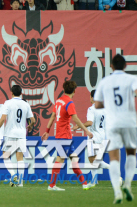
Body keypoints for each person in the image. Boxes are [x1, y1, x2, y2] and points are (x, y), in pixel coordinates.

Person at [94, 54, 137, 203]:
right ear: (125, 66)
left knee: (113, 157)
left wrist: (110, 105)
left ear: (111, 66)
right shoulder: (132, 79)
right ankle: (127, 184)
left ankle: (117, 192)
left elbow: (97, 104)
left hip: (112, 123)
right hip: (130, 121)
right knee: (131, 153)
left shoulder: (105, 82)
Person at [41, 80, 93, 191]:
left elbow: (52, 116)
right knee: (60, 160)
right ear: (74, 91)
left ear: (64, 89)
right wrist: (86, 131)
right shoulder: (69, 103)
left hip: (63, 135)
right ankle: (52, 186)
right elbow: (76, 119)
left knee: (74, 158)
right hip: (64, 136)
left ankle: (84, 183)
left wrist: (47, 130)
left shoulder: (59, 101)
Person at [0, 85, 35, 187]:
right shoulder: (26, 104)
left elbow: (3, 118)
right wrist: (29, 126)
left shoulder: (8, 103)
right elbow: (33, 120)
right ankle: (20, 183)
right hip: (21, 134)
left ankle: (13, 175)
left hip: (10, 133)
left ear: (11, 92)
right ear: (21, 93)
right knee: (20, 158)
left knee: (5, 155)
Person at [72, 90, 111, 188]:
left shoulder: (91, 109)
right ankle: (94, 181)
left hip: (93, 136)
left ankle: (111, 167)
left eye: (90, 96)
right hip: (102, 136)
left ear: (93, 98)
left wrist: (78, 126)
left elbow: (90, 122)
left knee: (92, 160)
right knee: (94, 159)